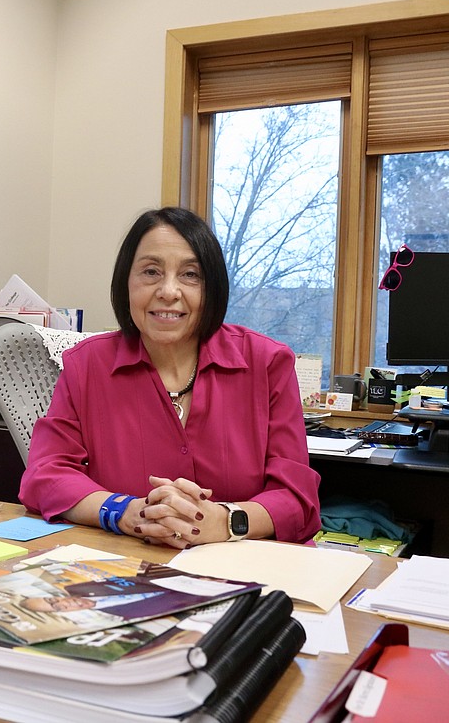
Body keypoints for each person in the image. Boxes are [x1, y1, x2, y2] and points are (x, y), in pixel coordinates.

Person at [18, 207, 320, 547]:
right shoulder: (86, 365)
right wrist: (126, 512)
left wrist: (224, 520)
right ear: (126, 283)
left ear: (212, 288)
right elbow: (45, 477)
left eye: (190, 275)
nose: (169, 291)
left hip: (251, 571)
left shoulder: (267, 363)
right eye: (151, 271)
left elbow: (297, 500)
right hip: (129, 566)